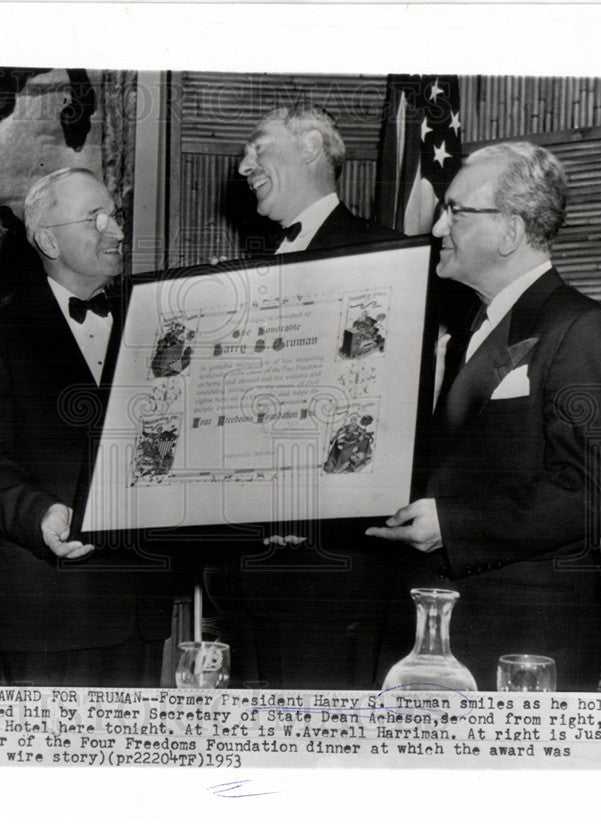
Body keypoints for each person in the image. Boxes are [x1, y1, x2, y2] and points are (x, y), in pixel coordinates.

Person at [366, 141, 601, 691]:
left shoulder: (581, 327)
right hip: (434, 634)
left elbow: (592, 493)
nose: (438, 229)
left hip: (522, 646)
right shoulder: (471, 327)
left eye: (455, 212)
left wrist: (453, 526)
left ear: (510, 231)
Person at [207, 105, 403, 689]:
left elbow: (389, 413)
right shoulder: (251, 273)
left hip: (335, 574)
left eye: (258, 147)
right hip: (249, 571)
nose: (243, 166)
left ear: (313, 146)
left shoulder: (388, 255)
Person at [0, 168, 173, 687]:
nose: (118, 232)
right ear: (47, 239)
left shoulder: (158, 321)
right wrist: (38, 514)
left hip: (140, 609)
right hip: (48, 609)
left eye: (116, 217)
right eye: (95, 218)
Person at [237, 104, 401, 254]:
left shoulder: (385, 251)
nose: (243, 168)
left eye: (259, 147)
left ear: (309, 147)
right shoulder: (261, 256)